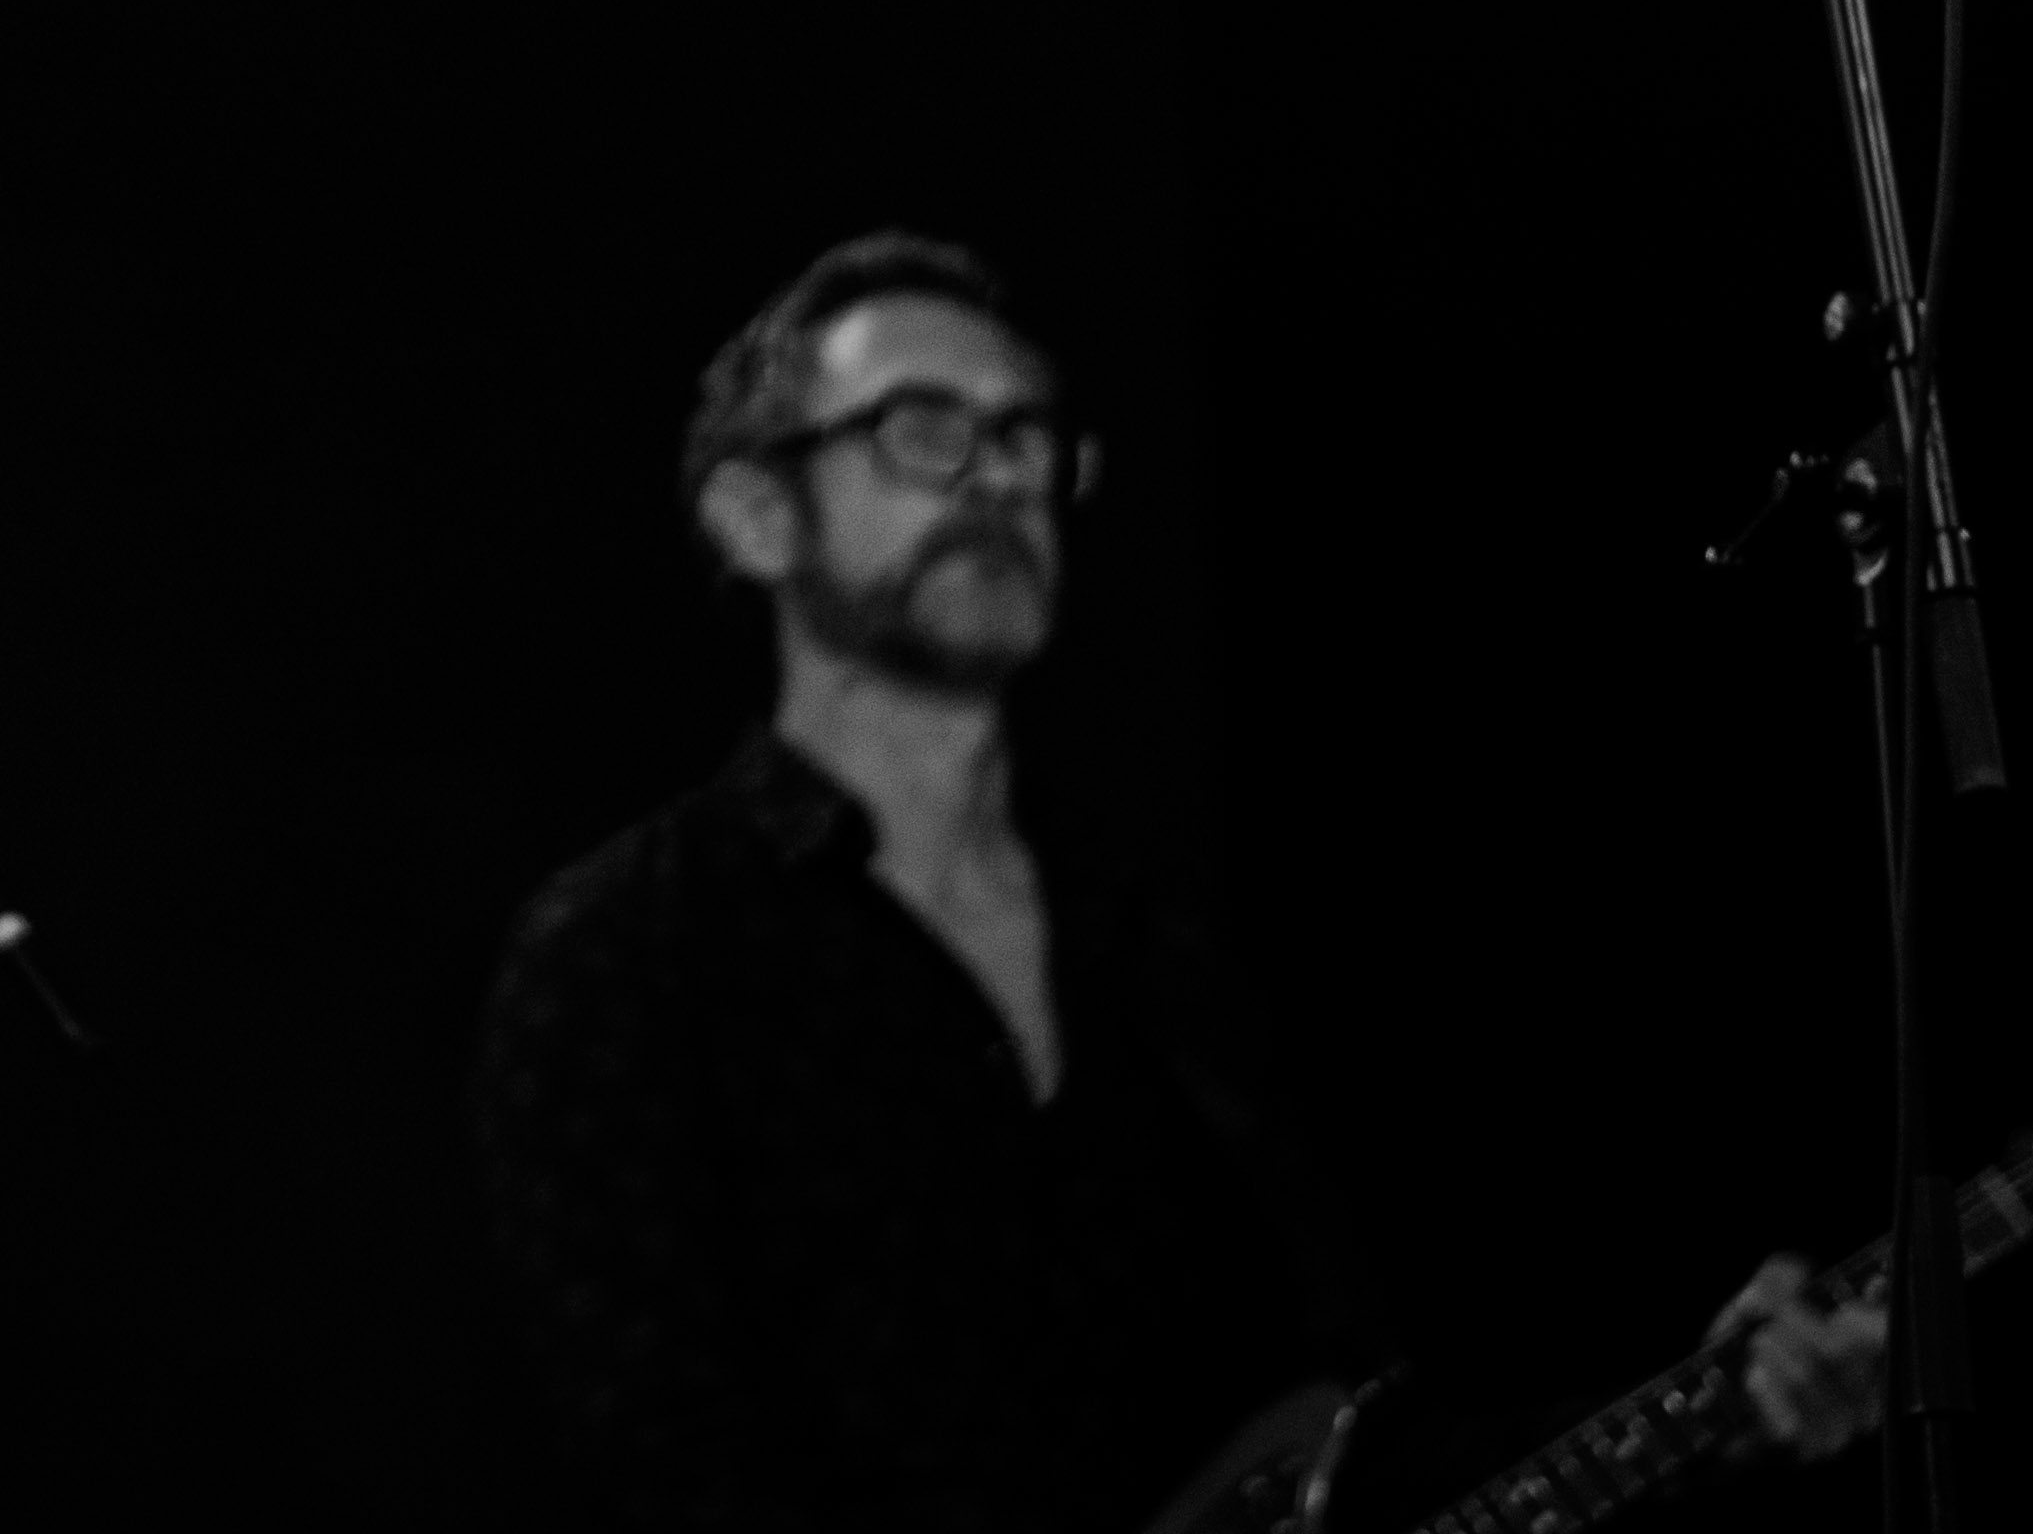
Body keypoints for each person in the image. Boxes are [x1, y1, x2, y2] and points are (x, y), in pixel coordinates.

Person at [474, 235, 1884, 1533]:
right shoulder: (629, 953)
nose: (998, 478)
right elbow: (663, 1464)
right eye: (923, 428)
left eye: (1026, 435)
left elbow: (1351, 1445)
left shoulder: (1154, 941)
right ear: (755, 513)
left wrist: (1713, 1416)